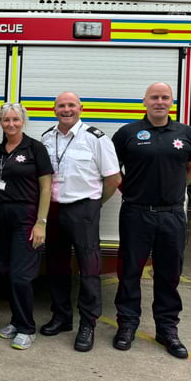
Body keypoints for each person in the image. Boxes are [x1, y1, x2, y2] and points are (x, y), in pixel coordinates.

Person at [111, 82, 191, 359]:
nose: (159, 101)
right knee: (129, 271)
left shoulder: (187, 133)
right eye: (154, 97)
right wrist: (134, 192)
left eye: (164, 97)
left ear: (172, 102)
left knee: (169, 273)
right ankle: (127, 325)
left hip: (172, 214)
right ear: (144, 102)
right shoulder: (127, 133)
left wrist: (171, 193)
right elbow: (113, 171)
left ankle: (167, 329)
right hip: (135, 213)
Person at [40, 91, 121, 352]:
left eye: (71, 105)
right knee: (56, 266)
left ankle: (88, 324)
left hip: (84, 208)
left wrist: (95, 204)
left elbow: (114, 179)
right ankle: (61, 316)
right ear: (54, 110)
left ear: (81, 108)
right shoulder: (47, 137)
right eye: (61, 105)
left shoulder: (95, 139)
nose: (66, 109)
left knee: (89, 269)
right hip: (54, 209)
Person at [0, 103, 52, 350]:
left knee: (21, 275)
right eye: (6, 120)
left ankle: (26, 328)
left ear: (23, 121)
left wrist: (41, 223)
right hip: (2, 218)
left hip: (26, 217)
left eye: (15, 119)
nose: (11, 124)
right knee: (6, 270)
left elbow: (46, 187)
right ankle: (16, 320)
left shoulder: (35, 149)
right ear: (0, 123)